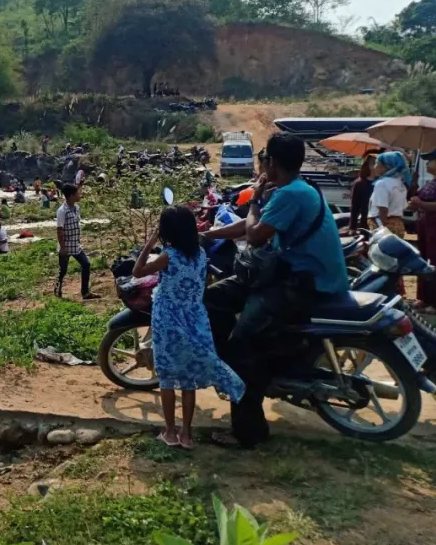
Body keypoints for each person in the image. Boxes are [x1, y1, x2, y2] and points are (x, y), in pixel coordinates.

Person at [202, 132, 349, 448]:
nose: (263, 164)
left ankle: (248, 431)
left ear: (273, 163)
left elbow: (255, 235)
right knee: (213, 297)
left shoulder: (290, 194)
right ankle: (225, 364)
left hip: (302, 282)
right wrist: (207, 235)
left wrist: (255, 199)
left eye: (265, 158)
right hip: (286, 273)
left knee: (243, 347)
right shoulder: (296, 188)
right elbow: (250, 226)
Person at [133, 206, 245, 449]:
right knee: (187, 379)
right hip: (195, 319)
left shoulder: (168, 256)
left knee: (166, 377)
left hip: (168, 320)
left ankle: (170, 432)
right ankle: (187, 435)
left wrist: (150, 242)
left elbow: (137, 271)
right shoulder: (201, 254)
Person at [55, 182, 98, 300]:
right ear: (70, 196)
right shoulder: (62, 211)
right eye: (77, 193)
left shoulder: (76, 208)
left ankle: (85, 292)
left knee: (86, 264)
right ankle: (57, 291)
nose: (80, 195)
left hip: (75, 245)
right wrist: (63, 248)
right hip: (66, 245)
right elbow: (60, 230)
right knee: (63, 270)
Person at [409, 150, 436, 309]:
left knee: (435, 262)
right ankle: (424, 298)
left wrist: (421, 204)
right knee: (423, 261)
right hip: (424, 226)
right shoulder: (431, 182)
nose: (427, 163)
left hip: (434, 228)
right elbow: (416, 200)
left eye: (431, 160)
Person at [369, 151, 410, 238]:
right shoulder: (401, 183)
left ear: (387, 167)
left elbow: (383, 209)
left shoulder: (381, 183)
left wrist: (383, 228)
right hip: (398, 224)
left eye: (377, 164)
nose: (374, 167)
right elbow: (403, 207)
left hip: (382, 225)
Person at [348, 157, 374, 232]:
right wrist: (352, 227)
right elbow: (354, 207)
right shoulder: (359, 183)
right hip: (365, 224)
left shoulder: (382, 182)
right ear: (369, 165)